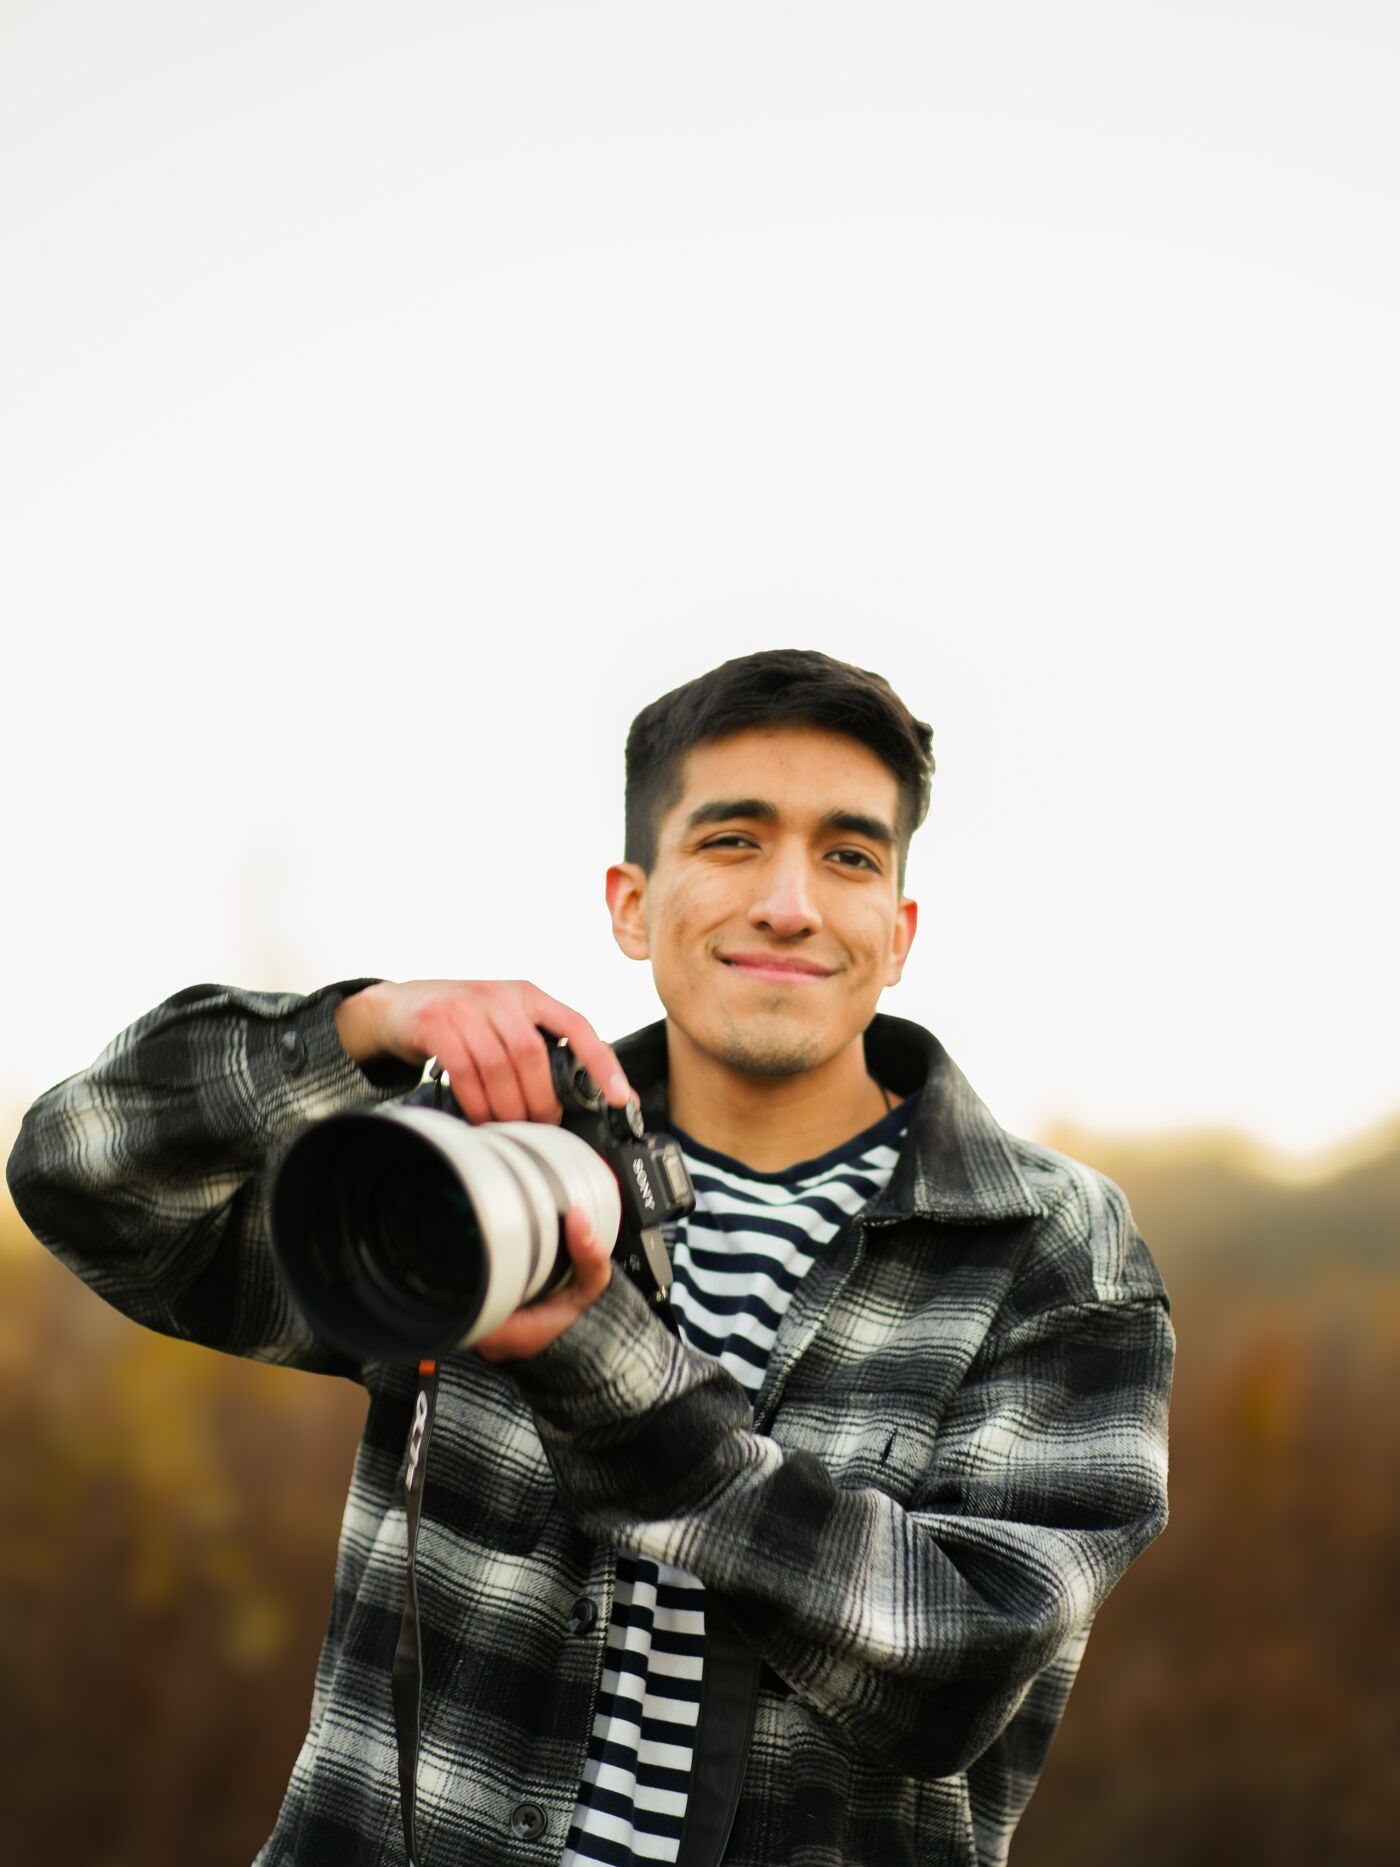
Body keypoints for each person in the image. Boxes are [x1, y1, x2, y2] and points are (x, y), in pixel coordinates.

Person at [7, 648, 1175, 1867]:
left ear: (898, 929)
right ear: (628, 902)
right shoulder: (464, 1167)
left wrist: (595, 1364)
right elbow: (81, 1176)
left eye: (847, 854)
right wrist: (360, 1028)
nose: (789, 900)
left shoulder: (1043, 1247)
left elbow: (957, 1665)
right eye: (732, 840)